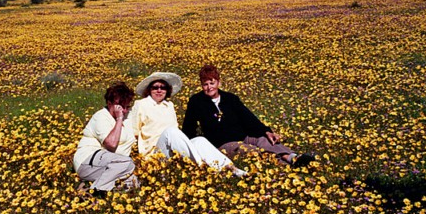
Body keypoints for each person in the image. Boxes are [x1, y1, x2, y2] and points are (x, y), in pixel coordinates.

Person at [182, 64, 315, 168]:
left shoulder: (230, 98)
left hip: (244, 136)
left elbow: (248, 118)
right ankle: (285, 162)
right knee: (251, 151)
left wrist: (266, 131)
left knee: (264, 141)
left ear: (218, 82)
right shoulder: (196, 101)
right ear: (201, 85)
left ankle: (291, 157)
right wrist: (192, 149)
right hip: (223, 144)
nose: (209, 87)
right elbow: (189, 127)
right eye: (205, 84)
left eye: (212, 83)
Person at [130, 72, 246, 176]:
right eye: (155, 87)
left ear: (167, 90)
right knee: (171, 132)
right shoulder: (141, 104)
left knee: (199, 140)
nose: (159, 90)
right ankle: (202, 167)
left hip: (172, 151)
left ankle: (231, 169)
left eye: (163, 87)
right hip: (154, 155)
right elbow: (133, 132)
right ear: (149, 90)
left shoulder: (169, 106)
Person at [73, 82, 140, 197]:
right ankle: (94, 192)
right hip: (87, 161)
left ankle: (87, 187)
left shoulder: (128, 116)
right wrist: (119, 119)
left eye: (127, 106)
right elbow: (111, 144)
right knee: (127, 162)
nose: (123, 110)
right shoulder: (101, 117)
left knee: (134, 182)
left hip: (113, 165)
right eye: (120, 106)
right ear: (109, 104)